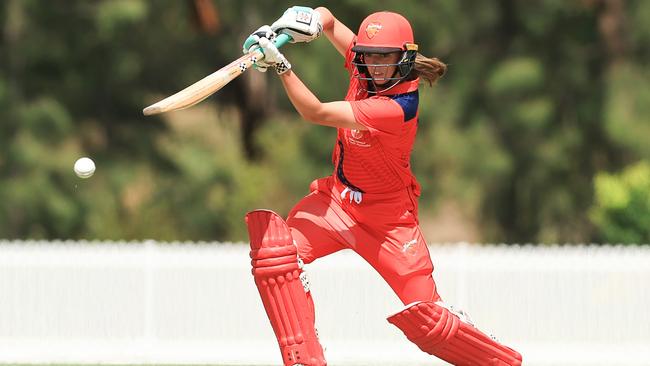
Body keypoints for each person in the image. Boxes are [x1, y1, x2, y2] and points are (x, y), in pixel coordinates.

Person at [242, 6, 522, 366]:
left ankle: (500, 361)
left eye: (384, 57)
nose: (374, 66)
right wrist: (305, 22)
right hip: (337, 204)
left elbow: (316, 112)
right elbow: (328, 18)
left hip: (390, 221)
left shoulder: (398, 107)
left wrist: (279, 64)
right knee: (273, 254)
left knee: (430, 323)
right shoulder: (366, 68)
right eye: (369, 57)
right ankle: (304, 359)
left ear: (404, 58)